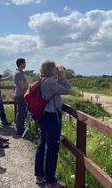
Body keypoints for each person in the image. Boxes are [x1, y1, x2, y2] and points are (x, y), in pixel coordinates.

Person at [34, 60, 71, 188]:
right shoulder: (49, 82)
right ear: (51, 69)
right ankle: (50, 181)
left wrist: (59, 77)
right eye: (56, 68)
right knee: (52, 148)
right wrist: (64, 77)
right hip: (51, 117)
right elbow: (66, 90)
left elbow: (57, 90)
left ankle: (40, 174)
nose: (57, 70)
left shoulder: (42, 80)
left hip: (43, 116)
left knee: (42, 143)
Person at [14, 58, 29, 135]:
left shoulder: (21, 73)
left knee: (22, 112)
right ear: (21, 64)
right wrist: (30, 86)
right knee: (21, 113)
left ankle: (21, 128)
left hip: (21, 95)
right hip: (20, 96)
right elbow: (22, 85)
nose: (25, 64)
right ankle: (20, 130)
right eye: (24, 63)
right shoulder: (19, 74)